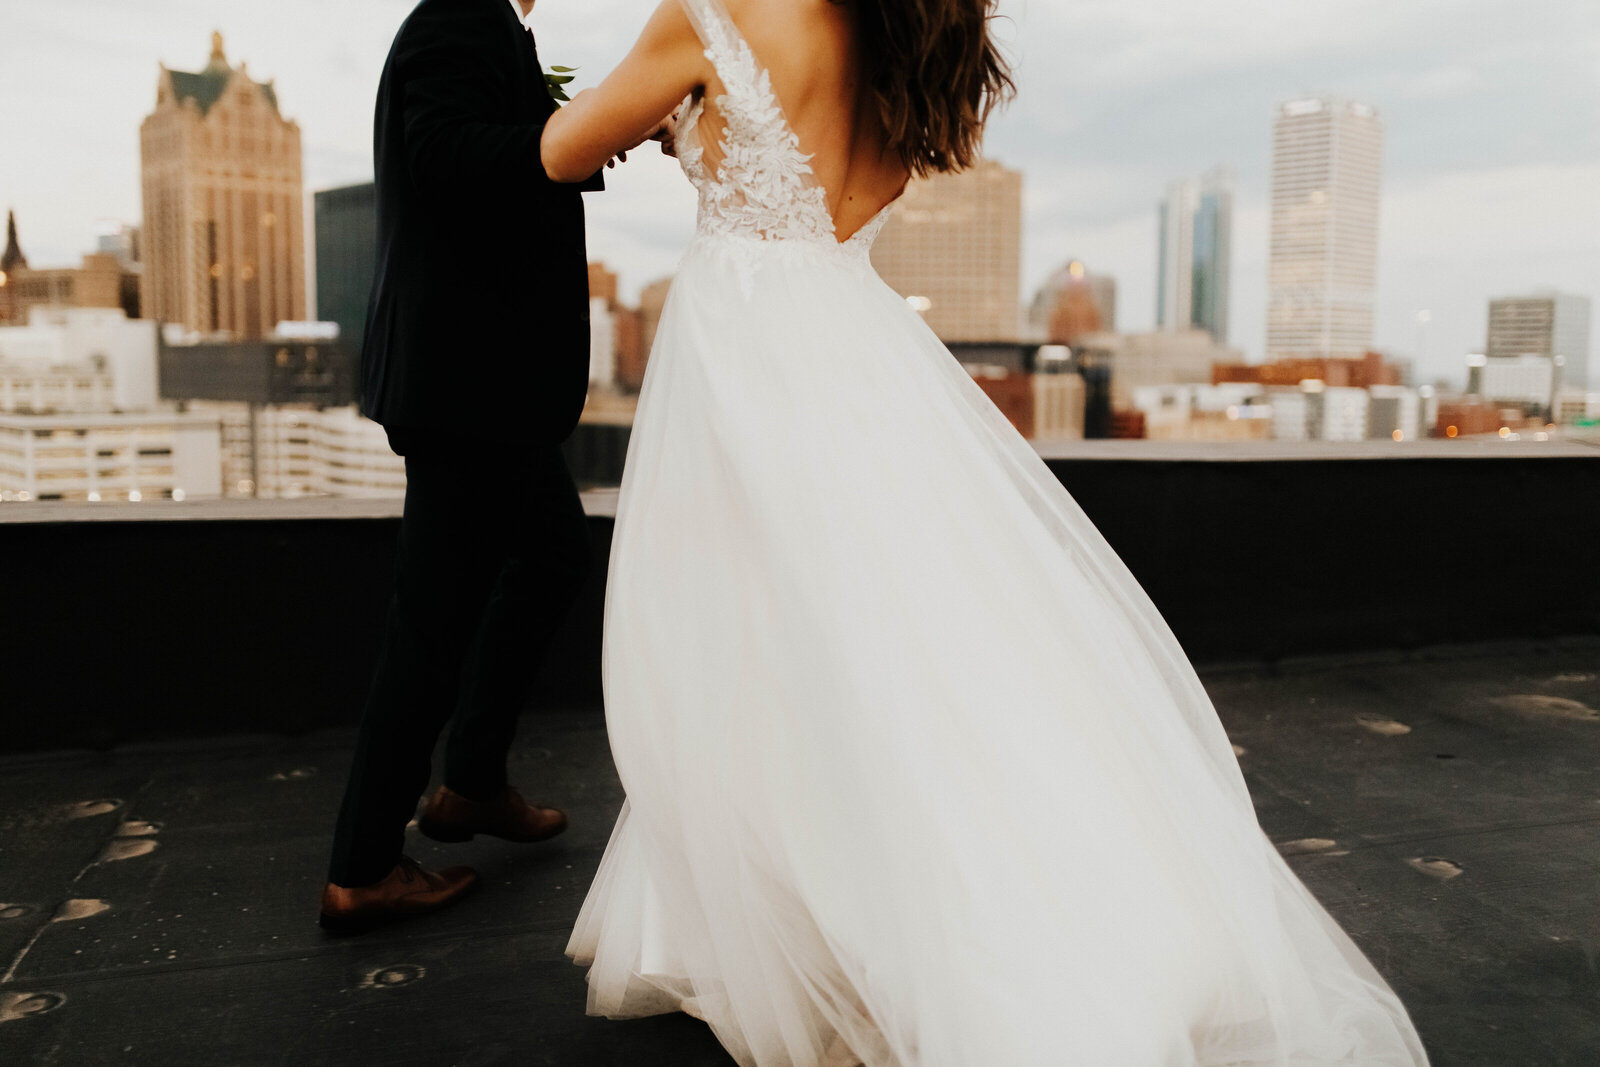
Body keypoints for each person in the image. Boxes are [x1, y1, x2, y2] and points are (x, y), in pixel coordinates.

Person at [541, 0, 1431, 1062]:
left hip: (745, 353)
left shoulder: (711, 13)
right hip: (858, 346)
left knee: (746, 632)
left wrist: (663, 116)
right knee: (892, 633)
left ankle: (800, 915)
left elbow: (558, 151)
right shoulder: (900, 43)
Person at [319, 0, 631, 935]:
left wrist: (562, 136)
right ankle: (363, 865)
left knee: (553, 559)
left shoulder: (489, 26)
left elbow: (488, 155)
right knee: (432, 624)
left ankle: (471, 784)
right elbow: (445, 157)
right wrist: (565, 135)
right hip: (467, 386)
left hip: (492, 388)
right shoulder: (456, 18)